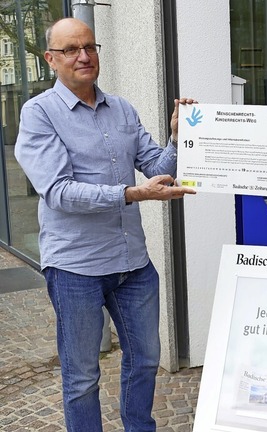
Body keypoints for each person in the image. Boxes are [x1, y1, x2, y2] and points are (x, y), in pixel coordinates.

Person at [14, 17, 196, 432]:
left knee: (146, 359)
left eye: (90, 47)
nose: (84, 56)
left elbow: (156, 169)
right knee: (81, 378)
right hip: (75, 267)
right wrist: (130, 194)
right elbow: (58, 191)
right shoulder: (38, 114)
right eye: (71, 50)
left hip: (132, 263)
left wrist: (177, 139)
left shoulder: (122, 109)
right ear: (51, 59)